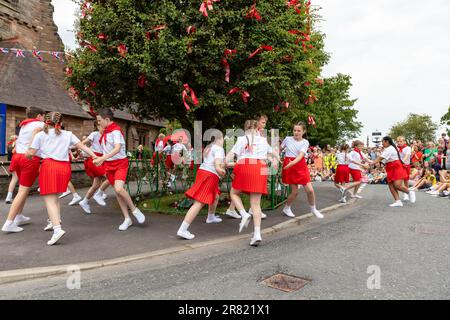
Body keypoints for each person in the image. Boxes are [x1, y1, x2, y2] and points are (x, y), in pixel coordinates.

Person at [26, 112, 97, 245]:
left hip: (49, 166)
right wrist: (95, 156)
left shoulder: (41, 135)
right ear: (61, 122)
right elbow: (82, 146)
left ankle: (57, 229)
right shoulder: (68, 134)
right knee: (55, 198)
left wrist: (32, 137)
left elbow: (29, 154)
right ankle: (55, 221)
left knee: (50, 201)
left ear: (46, 122)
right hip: (64, 168)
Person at [225, 120, 279, 246]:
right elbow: (274, 153)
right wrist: (278, 159)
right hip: (260, 167)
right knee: (256, 204)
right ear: (257, 129)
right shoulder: (263, 140)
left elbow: (230, 155)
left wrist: (224, 163)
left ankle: (243, 214)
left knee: (234, 193)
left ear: (245, 129)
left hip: (244, 166)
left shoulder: (242, 139)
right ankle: (257, 234)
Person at [93, 108, 146, 231]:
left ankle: (134, 209)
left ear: (107, 119)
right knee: (117, 193)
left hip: (120, 164)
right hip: (109, 165)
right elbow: (105, 150)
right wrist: (99, 158)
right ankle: (127, 219)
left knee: (118, 188)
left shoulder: (116, 131)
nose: (98, 123)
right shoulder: (105, 132)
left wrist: (102, 158)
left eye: (99, 120)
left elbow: (117, 149)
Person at [2, 107, 45, 233]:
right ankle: (9, 222)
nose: (44, 118)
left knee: (23, 189)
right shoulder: (40, 124)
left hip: (17, 157)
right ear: (39, 116)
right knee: (23, 190)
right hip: (29, 158)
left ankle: (19, 216)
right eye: (43, 116)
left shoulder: (24, 125)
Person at [177, 131, 226, 240]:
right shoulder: (219, 148)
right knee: (199, 203)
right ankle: (183, 229)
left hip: (203, 172)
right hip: (210, 175)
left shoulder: (209, 147)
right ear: (218, 139)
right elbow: (217, 165)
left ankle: (211, 216)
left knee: (215, 195)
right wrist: (221, 170)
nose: (223, 141)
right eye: (223, 138)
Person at [281, 122, 324, 219]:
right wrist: (275, 157)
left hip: (299, 164)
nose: (296, 132)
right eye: (294, 130)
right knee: (295, 192)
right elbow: (279, 148)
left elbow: (301, 155)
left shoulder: (305, 142)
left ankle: (313, 209)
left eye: (299, 131)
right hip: (289, 164)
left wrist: (293, 162)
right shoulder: (287, 139)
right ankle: (287, 208)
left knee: (310, 190)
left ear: (303, 131)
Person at [371, 136, 416, 207]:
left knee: (397, 185)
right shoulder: (389, 148)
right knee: (390, 184)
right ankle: (398, 201)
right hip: (390, 166)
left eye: (382, 142)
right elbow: (384, 159)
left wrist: (371, 163)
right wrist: (380, 165)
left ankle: (409, 192)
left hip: (396, 166)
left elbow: (380, 158)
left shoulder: (390, 148)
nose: (382, 143)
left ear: (386, 141)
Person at [78, 126, 108, 214]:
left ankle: (84, 201)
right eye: (103, 127)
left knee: (96, 185)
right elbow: (82, 143)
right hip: (95, 159)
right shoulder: (94, 134)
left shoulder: (107, 136)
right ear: (98, 127)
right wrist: (84, 151)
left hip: (102, 158)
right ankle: (99, 194)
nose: (104, 129)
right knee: (110, 176)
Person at [396, 136, 412, 201]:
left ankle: (406, 193)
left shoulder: (408, 148)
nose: (399, 143)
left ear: (404, 142)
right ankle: (403, 193)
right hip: (398, 166)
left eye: (401, 141)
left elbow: (407, 156)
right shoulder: (396, 148)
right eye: (398, 141)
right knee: (400, 180)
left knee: (406, 180)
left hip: (406, 165)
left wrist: (402, 162)